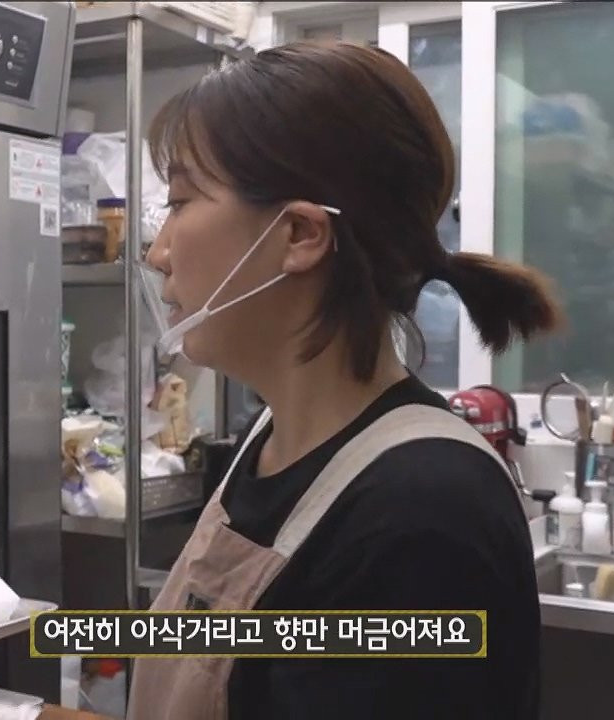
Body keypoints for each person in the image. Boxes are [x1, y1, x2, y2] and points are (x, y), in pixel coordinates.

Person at [127, 41, 563, 720]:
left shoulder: (423, 517)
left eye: (180, 202)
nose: (157, 253)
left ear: (300, 234)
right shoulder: (269, 440)